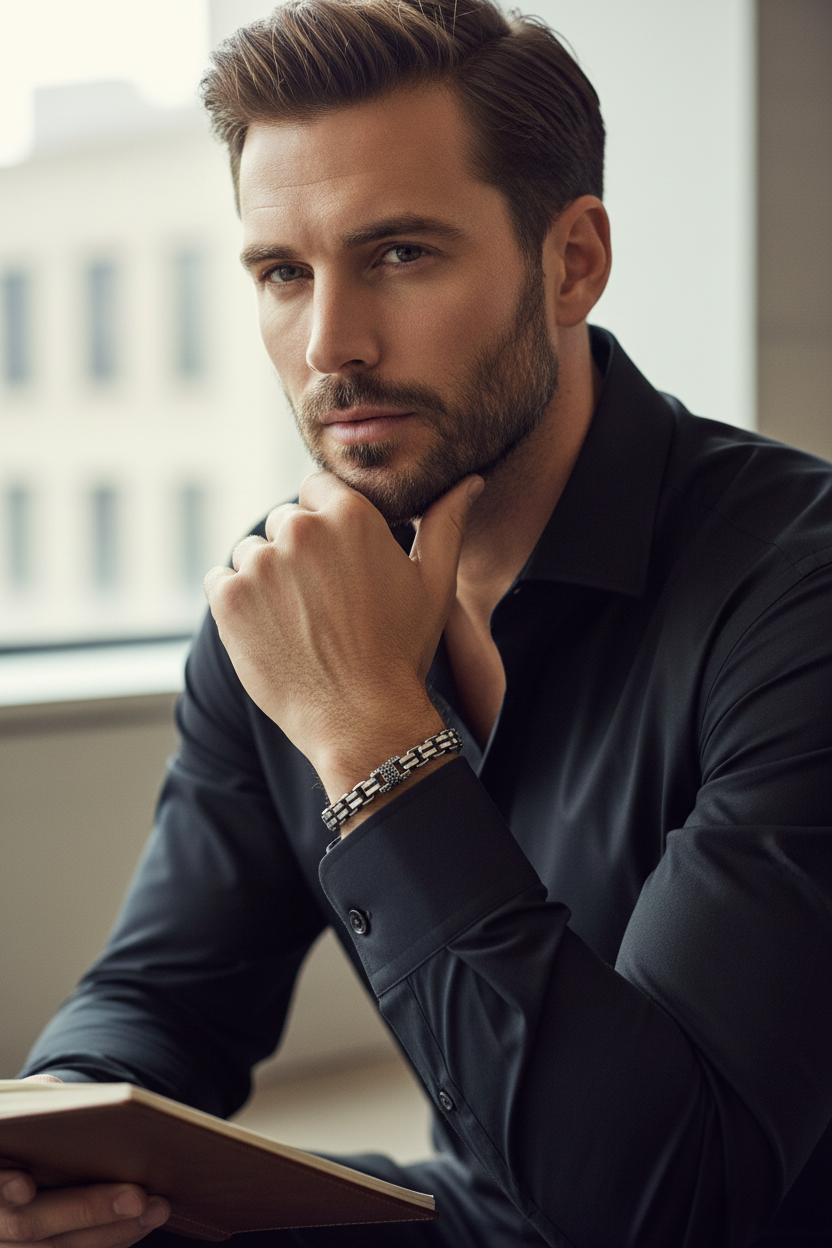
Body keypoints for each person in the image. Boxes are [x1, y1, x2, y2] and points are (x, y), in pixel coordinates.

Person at [5, 0, 832, 1244]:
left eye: (397, 253)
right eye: (284, 273)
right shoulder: (282, 603)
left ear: (572, 262)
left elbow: (677, 1200)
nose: (329, 344)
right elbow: (165, 997)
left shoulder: (796, 592)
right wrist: (50, 1143)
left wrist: (368, 736)